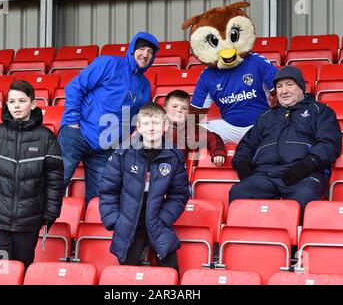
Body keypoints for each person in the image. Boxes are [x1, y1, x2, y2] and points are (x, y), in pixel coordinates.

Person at [59, 32, 159, 205]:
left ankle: (92, 231)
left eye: (150, 52)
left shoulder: (145, 85)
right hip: (79, 133)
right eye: (141, 49)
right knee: (55, 186)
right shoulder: (109, 63)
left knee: (100, 200)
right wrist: (73, 121)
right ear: (132, 49)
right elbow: (75, 87)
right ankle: (35, 229)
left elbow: (137, 117)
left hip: (105, 147)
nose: (145, 54)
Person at [229, 66, 342, 214]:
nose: (284, 91)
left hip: (304, 174)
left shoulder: (320, 111)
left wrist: (309, 163)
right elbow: (247, 145)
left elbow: (329, 141)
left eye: (289, 84)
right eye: (279, 86)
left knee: (304, 196)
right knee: (239, 193)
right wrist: (241, 163)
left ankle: (293, 236)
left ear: (301, 87)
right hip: (265, 174)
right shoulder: (266, 116)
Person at [0, 80, 64, 270]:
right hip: (1, 219)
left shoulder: (47, 138)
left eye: (22, 101)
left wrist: (51, 212)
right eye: (12, 101)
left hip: (30, 220)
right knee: (1, 271)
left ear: (32, 104)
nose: (16, 105)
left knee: (22, 269)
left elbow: (55, 181)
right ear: (7, 104)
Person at [99, 102, 190, 273]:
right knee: (125, 276)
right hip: (129, 224)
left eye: (156, 123)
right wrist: (115, 221)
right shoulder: (122, 153)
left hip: (158, 222)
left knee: (171, 272)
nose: (151, 128)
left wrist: (164, 218)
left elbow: (179, 195)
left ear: (165, 126)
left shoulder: (174, 156)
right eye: (146, 123)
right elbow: (107, 191)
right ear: (139, 127)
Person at [164, 89, 227, 166]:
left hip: (175, 171)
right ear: (165, 108)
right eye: (174, 106)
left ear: (188, 112)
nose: (179, 110)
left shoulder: (191, 130)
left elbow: (212, 138)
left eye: (184, 108)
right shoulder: (154, 126)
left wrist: (218, 152)